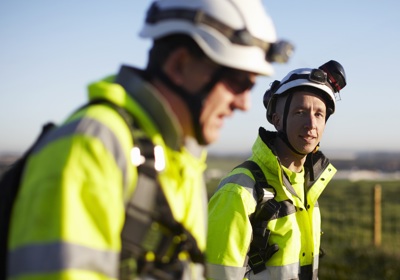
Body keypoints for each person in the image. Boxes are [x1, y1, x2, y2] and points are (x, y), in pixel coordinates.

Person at [6, 0, 293, 279]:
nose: (244, 104)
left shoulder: (181, 156)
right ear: (180, 65)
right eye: (238, 82)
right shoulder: (93, 145)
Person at [206, 60, 347, 280]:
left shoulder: (306, 188)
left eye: (319, 114)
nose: (311, 124)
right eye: (300, 112)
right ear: (277, 119)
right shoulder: (238, 192)